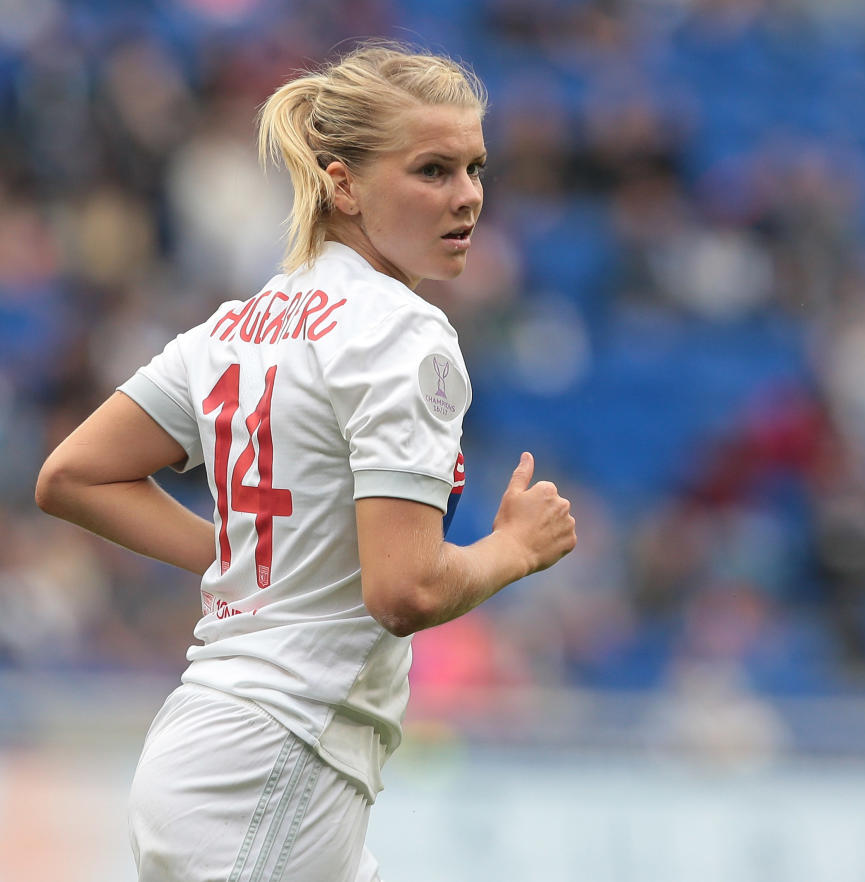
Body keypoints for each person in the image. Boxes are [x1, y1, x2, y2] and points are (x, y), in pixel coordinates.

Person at [34, 43, 577, 882]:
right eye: (432, 170)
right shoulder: (403, 330)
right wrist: (516, 548)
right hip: (279, 752)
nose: (467, 195)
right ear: (343, 183)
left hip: (216, 742)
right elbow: (404, 591)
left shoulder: (235, 325)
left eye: (474, 167)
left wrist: (235, 557)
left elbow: (73, 475)